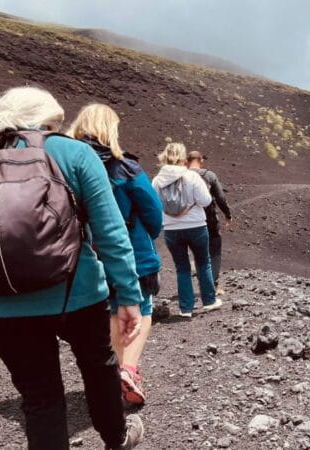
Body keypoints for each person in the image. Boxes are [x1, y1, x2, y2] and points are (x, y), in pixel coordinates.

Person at [0, 87, 144, 449]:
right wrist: (129, 296)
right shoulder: (72, 152)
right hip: (77, 293)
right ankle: (116, 437)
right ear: (50, 121)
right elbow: (111, 232)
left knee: (40, 397)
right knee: (98, 366)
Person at [67, 103, 163, 407]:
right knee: (141, 309)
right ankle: (128, 369)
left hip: (83, 256)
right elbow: (154, 214)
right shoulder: (127, 168)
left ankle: (119, 372)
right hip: (132, 252)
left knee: (111, 310)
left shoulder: (63, 166)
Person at [152, 142, 222, 317]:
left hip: (171, 229)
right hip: (196, 225)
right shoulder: (191, 177)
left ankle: (185, 308)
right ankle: (209, 301)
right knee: (203, 262)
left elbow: (155, 204)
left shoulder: (157, 180)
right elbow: (206, 201)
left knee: (181, 268)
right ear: (182, 157)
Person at [187, 150, 232, 294]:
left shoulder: (181, 176)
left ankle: (202, 282)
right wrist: (228, 214)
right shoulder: (209, 176)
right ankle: (212, 284)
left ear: (187, 161)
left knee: (198, 251)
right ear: (201, 161)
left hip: (187, 220)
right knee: (214, 251)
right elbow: (220, 198)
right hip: (209, 219)